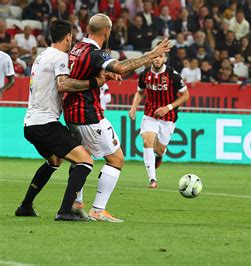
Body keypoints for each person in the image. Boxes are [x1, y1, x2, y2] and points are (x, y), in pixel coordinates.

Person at [63, 13, 171, 222]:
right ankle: (98, 210)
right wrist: (151, 55)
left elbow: (81, 73)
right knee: (116, 159)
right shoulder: (95, 52)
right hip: (88, 114)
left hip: (71, 113)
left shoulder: (76, 48)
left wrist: (104, 75)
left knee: (80, 159)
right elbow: (121, 66)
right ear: (107, 32)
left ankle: (76, 204)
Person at [15, 19, 107, 221]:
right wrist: (94, 82)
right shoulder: (60, 57)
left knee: (54, 161)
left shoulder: (42, 55)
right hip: (46, 124)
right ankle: (66, 210)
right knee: (85, 160)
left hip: (30, 124)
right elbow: (63, 85)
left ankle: (25, 205)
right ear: (68, 36)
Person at [128, 51, 189, 188]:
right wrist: (133, 108)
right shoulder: (144, 74)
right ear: (151, 58)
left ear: (164, 59)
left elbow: (185, 95)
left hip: (168, 116)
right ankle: (152, 179)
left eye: (160, 57)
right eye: (155, 56)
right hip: (150, 114)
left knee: (160, 150)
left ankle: (160, 156)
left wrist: (167, 108)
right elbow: (140, 92)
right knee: (147, 140)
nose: (157, 59)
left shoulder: (173, 75)